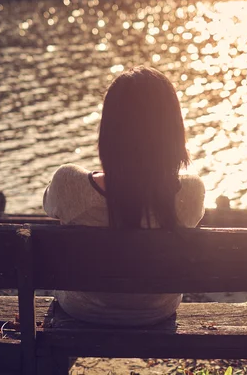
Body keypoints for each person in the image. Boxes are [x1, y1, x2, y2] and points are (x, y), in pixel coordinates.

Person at [43, 66, 205, 326]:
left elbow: (48, 205)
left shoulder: (68, 183)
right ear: (173, 132)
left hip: (82, 309)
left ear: (109, 130)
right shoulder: (192, 192)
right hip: (156, 311)